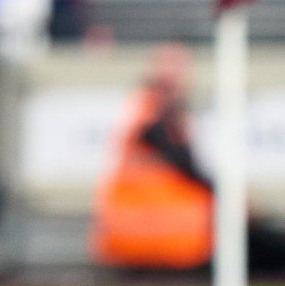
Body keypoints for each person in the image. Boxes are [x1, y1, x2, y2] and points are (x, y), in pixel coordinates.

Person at [92, 44, 285, 272]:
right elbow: (186, 165)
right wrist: (232, 199)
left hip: (161, 226)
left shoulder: (146, 108)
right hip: (165, 229)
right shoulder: (153, 114)